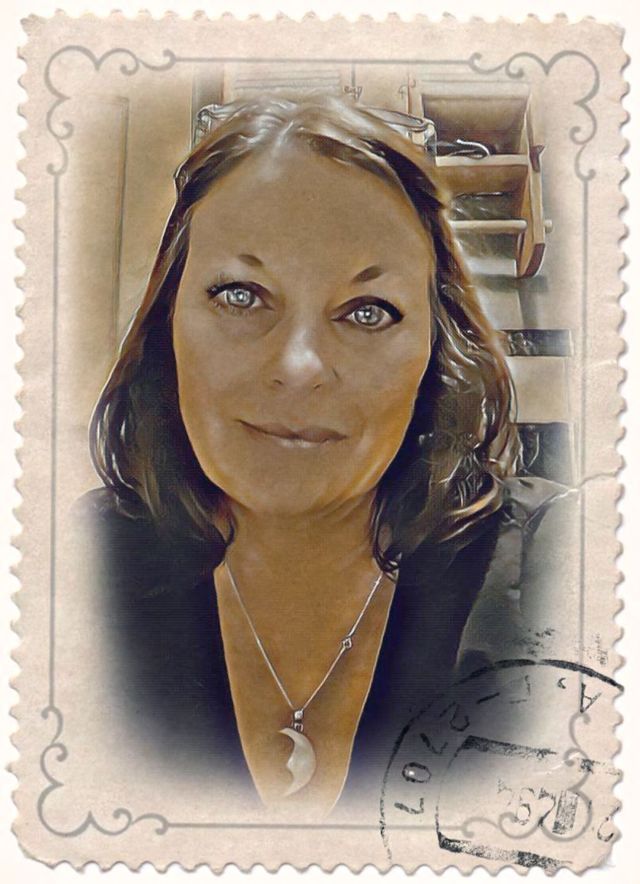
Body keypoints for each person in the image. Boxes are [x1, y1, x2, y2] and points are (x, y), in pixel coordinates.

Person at [75, 92, 565, 819]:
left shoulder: (567, 568)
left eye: (369, 311)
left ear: (436, 351)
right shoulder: (62, 577)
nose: (299, 366)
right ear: (167, 322)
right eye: (240, 295)